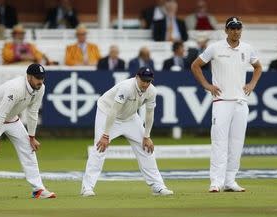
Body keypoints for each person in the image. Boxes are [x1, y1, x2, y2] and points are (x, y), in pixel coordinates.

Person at [191, 17, 263, 193]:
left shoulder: (247, 48)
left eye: (238, 28)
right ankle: (216, 181)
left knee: (237, 143)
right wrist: (207, 85)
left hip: (240, 102)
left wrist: (252, 84)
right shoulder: (215, 48)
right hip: (221, 101)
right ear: (226, 30)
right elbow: (196, 65)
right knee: (219, 142)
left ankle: (230, 180)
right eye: (232, 28)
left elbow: (258, 67)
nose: (235, 31)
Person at [81, 67, 174, 197]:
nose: (146, 84)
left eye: (149, 81)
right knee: (100, 148)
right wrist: (106, 135)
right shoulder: (126, 87)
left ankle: (157, 186)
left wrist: (147, 136)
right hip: (107, 113)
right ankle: (87, 188)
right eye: (143, 81)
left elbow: (149, 114)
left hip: (130, 118)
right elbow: (113, 111)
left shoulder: (152, 91)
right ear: (137, 77)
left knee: (146, 148)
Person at [0, 63, 56, 200]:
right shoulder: (16, 88)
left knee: (28, 148)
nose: (40, 81)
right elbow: (0, 114)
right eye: (37, 78)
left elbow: (33, 113)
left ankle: (38, 189)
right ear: (29, 77)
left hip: (10, 117)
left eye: (42, 77)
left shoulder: (40, 88)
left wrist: (32, 136)